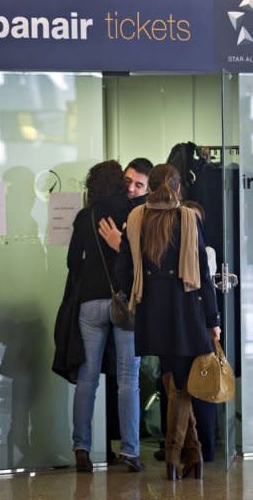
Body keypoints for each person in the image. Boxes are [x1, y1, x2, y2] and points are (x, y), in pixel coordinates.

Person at [115, 163, 221, 481]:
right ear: (176, 188)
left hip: (151, 312)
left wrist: (134, 290)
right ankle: (176, 456)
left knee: (173, 379)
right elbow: (203, 273)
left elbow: (123, 270)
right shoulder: (187, 218)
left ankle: (192, 454)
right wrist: (212, 318)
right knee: (181, 384)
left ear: (152, 187)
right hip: (188, 311)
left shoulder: (136, 219)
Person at [67, 160, 144, 473]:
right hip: (123, 302)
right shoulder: (132, 214)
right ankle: (130, 451)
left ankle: (81, 447)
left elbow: (73, 261)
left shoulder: (85, 216)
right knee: (128, 380)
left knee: (87, 379)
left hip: (90, 304)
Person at [98, 157, 153, 463]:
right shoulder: (123, 208)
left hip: (132, 304)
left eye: (138, 184)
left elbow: (147, 263)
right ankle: (125, 447)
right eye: (128, 182)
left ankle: (127, 448)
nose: (131, 189)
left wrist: (120, 244)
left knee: (123, 376)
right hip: (120, 303)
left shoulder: (147, 215)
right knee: (122, 376)